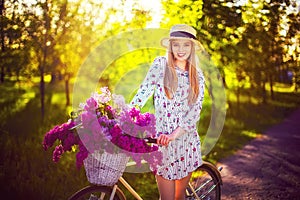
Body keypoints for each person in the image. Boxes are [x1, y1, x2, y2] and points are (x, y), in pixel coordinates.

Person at [130, 24, 205, 200]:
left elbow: (195, 111)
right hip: (163, 142)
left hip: (185, 141)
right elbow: (143, 93)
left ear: (192, 47)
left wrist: (174, 135)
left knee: (179, 197)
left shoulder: (197, 75)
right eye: (176, 44)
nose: (181, 49)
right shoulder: (160, 65)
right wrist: (125, 114)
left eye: (186, 45)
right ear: (170, 46)